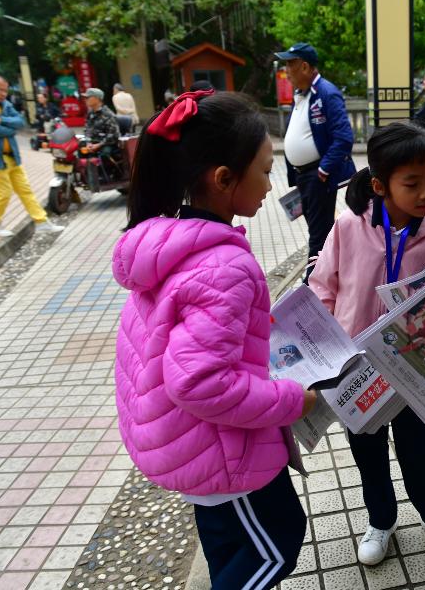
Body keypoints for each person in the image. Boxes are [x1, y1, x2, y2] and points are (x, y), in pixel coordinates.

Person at [112, 90, 317, 590]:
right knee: (275, 549)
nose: (272, 183)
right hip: (227, 455)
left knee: (229, 549)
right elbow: (201, 383)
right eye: (266, 170)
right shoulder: (223, 265)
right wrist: (294, 399)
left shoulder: (165, 238)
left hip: (195, 449)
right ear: (224, 179)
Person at [308, 122, 425, 567]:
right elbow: (325, 285)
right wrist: (328, 347)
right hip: (356, 368)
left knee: (420, 451)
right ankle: (381, 521)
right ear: (380, 185)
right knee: (367, 453)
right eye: (412, 183)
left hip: (411, 367)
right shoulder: (349, 227)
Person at [275, 42, 356, 281]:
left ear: (305, 66)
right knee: (319, 230)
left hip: (317, 175)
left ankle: (312, 283)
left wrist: (324, 168)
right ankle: (331, 274)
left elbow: (344, 136)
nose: (286, 70)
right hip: (305, 175)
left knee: (318, 234)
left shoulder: (327, 93)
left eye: (290, 64)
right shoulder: (301, 95)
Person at [0, 75, 64, 238]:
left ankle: (41, 222)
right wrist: (10, 131)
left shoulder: (4, 104)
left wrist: (1, 120)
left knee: (25, 190)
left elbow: (20, 121)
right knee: (3, 192)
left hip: (12, 155)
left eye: (5, 90)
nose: (4, 94)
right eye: (0, 89)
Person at [83, 88, 121, 157]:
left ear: (97, 99)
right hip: (93, 142)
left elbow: (113, 135)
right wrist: (88, 143)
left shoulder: (108, 114)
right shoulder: (90, 113)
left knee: (104, 154)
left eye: (88, 97)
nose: (85, 99)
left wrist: (99, 145)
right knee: (80, 149)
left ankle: (106, 168)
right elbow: (87, 130)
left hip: (106, 143)